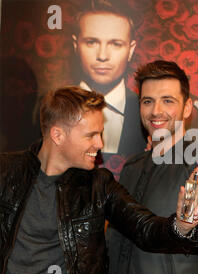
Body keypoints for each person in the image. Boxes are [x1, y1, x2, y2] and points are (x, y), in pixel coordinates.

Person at [0, 86, 198, 274]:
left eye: (100, 134)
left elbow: (144, 228)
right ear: (57, 135)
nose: (99, 144)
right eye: (91, 135)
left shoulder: (98, 185)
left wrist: (182, 226)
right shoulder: (6, 172)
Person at [106, 60, 198, 274]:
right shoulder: (131, 168)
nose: (156, 111)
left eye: (168, 101)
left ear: (187, 108)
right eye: (148, 101)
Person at [72, 0, 146, 166]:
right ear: (76, 45)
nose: (103, 55)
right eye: (91, 42)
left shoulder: (146, 113)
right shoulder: (50, 108)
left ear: (131, 50)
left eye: (115, 44)